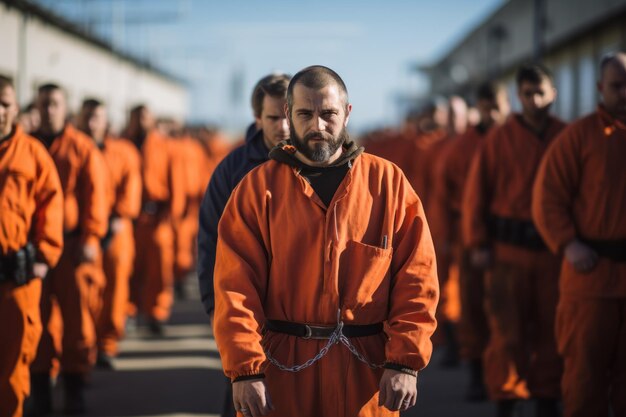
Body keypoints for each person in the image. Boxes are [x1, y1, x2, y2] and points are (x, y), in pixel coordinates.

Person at [212, 65, 439, 417]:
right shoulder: (258, 189)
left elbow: (417, 279)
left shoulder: (388, 183)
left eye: (328, 113)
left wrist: (405, 363)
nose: (317, 125)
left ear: (346, 113)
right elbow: (234, 288)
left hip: (367, 371)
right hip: (282, 372)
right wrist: (245, 369)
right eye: (305, 113)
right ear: (288, 115)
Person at [462, 64, 566, 417]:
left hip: (553, 254)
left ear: (553, 93)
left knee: (552, 331)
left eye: (540, 92)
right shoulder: (498, 139)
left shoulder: (565, 136)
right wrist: (477, 243)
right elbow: (476, 194)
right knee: (507, 332)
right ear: (518, 97)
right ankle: (506, 400)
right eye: (527, 94)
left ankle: (548, 400)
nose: (534, 100)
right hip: (507, 255)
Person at [532, 52, 626, 417]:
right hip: (591, 279)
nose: (624, 93)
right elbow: (548, 197)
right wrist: (568, 243)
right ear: (601, 88)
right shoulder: (580, 137)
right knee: (585, 376)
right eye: (617, 86)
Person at [197, 72, 290, 417]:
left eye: (288, 115)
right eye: (273, 118)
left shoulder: (315, 166)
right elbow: (210, 244)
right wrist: (213, 307)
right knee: (245, 395)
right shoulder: (232, 171)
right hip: (247, 308)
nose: (283, 127)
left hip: (299, 312)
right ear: (257, 118)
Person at [30, 83, 109, 415]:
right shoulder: (28, 147)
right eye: (45, 103)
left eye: (56, 104)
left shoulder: (81, 147)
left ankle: (74, 388)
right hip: (33, 251)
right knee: (36, 323)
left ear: (66, 109)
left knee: (77, 322)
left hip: (72, 247)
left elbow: (97, 195)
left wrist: (90, 238)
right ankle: (40, 393)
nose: (50, 110)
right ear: (36, 106)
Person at [430, 82, 510, 400]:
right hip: (468, 236)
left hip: (512, 242)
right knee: (471, 306)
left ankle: (513, 386)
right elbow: (443, 197)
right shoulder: (458, 148)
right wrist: (449, 239)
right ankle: (478, 373)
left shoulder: (515, 139)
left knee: (508, 313)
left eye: (496, 106)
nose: (491, 113)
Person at [0, 75, 63, 417]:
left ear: (15, 107)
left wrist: (44, 255)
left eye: (5, 103)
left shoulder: (32, 155)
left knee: (13, 368)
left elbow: (52, 205)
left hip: (16, 280)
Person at [77, 99, 142, 368]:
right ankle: (84, 346)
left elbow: (131, 186)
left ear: (107, 121)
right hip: (84, 233)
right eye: (88, 117)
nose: (93, 123)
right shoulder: (75, 149)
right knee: (84, 292)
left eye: (98, 118)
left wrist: (119, 215)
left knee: (115, 286)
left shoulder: (123, 152)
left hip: (117, 229)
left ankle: (107, 343)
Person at [124, 105, 185, 335]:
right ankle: (128, 313)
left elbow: (176, 182)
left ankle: (156, 313)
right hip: (130, 219)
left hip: (157, 217)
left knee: (159, 269)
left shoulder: (164, 146)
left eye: (144, 116)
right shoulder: (123, 145)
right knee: (128, 270)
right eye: (136, 116)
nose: (140, 121)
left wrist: (172, 215)